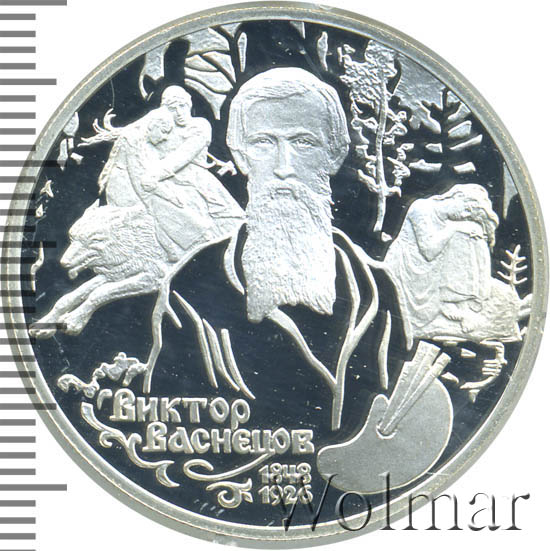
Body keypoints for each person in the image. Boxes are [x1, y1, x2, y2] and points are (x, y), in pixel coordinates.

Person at [226, 67, 350, 322]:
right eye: (263, 142)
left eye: (304, 142)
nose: (283, 168)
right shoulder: (186, 288)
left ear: (335, 154)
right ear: (241, 156)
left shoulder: (378, 288)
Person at [98, 86, 245, 262]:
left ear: (189, 104)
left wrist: (154, 175)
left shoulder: (200, 126)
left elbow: (182, 156)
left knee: (226, 230)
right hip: (165, 183)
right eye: (173, 108)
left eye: (182, 106)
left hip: (197, 183)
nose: (179, 113)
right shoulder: (161, 125)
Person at [385, 184, 499, 347]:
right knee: (461, 234)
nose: (464, 216)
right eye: (466, 210)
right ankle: (450, 306)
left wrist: (473, 231)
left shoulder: (449, 220)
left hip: (429, 270)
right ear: (457, 196)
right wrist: (455, 228)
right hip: (407, 270)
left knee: (472, 236)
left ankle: (461, 303)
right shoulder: (422, 208)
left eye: (469, 215)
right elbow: (428, 251)